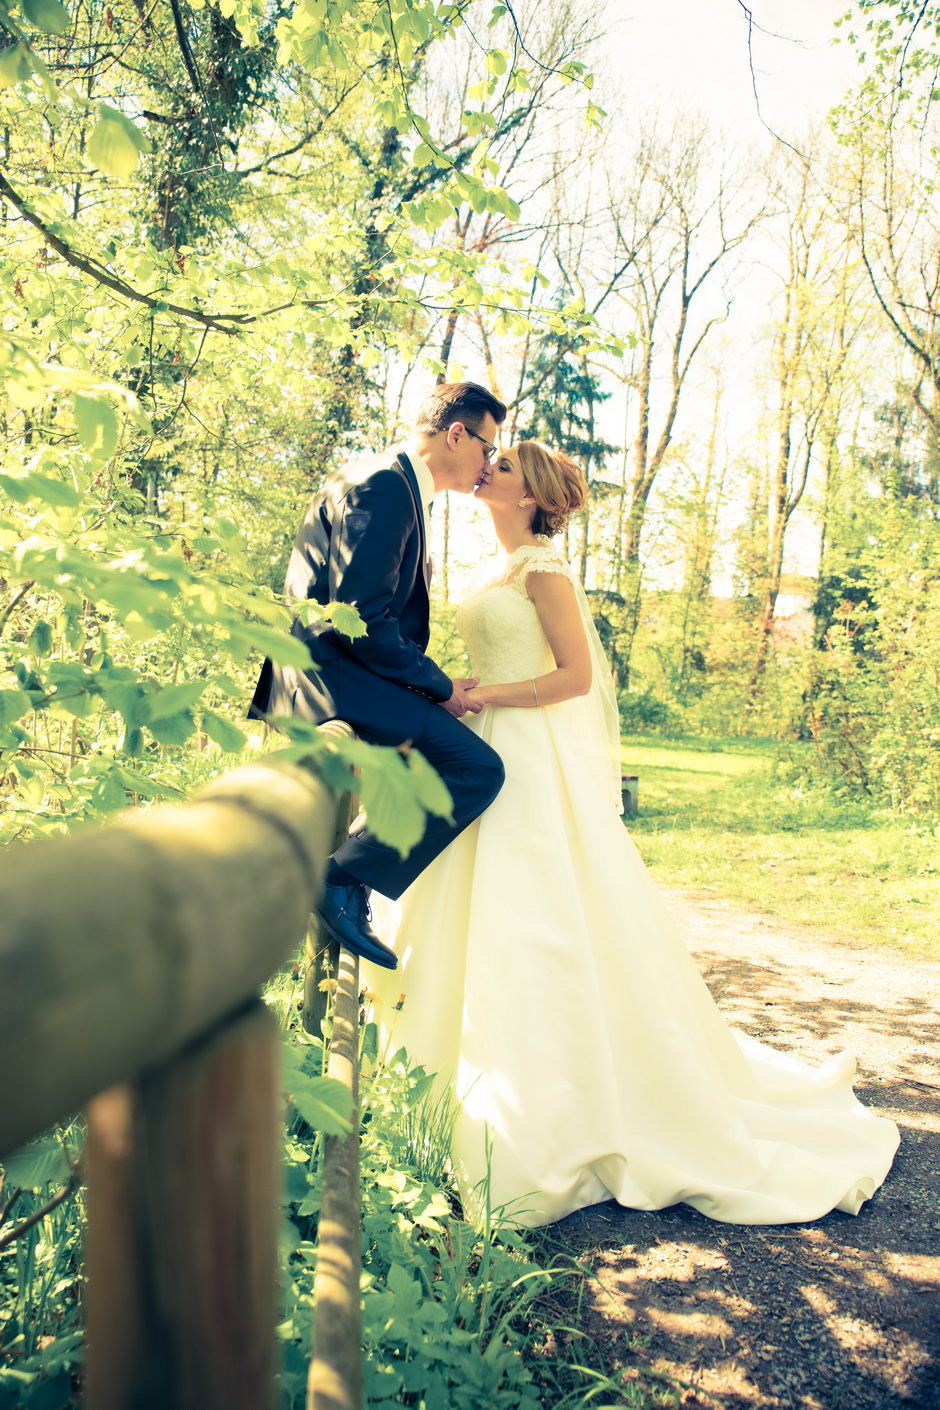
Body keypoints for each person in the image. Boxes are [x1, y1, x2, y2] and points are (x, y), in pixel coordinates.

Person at [365, 439, 900, 1228]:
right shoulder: (495, 569)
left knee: (532, 920)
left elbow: (575, 677)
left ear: (530, 497)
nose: (490, 471)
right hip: (482, 743)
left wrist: (485, 699)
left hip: (525, 752)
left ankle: (552, 1110)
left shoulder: (545, 570)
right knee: (462, 909)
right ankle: (446, 1086)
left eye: (504, 468)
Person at [249, 381, 507, 971]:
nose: (486, 463)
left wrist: (422, 688)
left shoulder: (385, 478)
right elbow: (361, 618)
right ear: (456, 433)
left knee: (439, 759)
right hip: (331, 676)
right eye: (487, 448)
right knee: (476, 768)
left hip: (342, 671)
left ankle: (351, 877)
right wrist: (440, 687)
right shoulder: (386, 486)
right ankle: (339, 880)